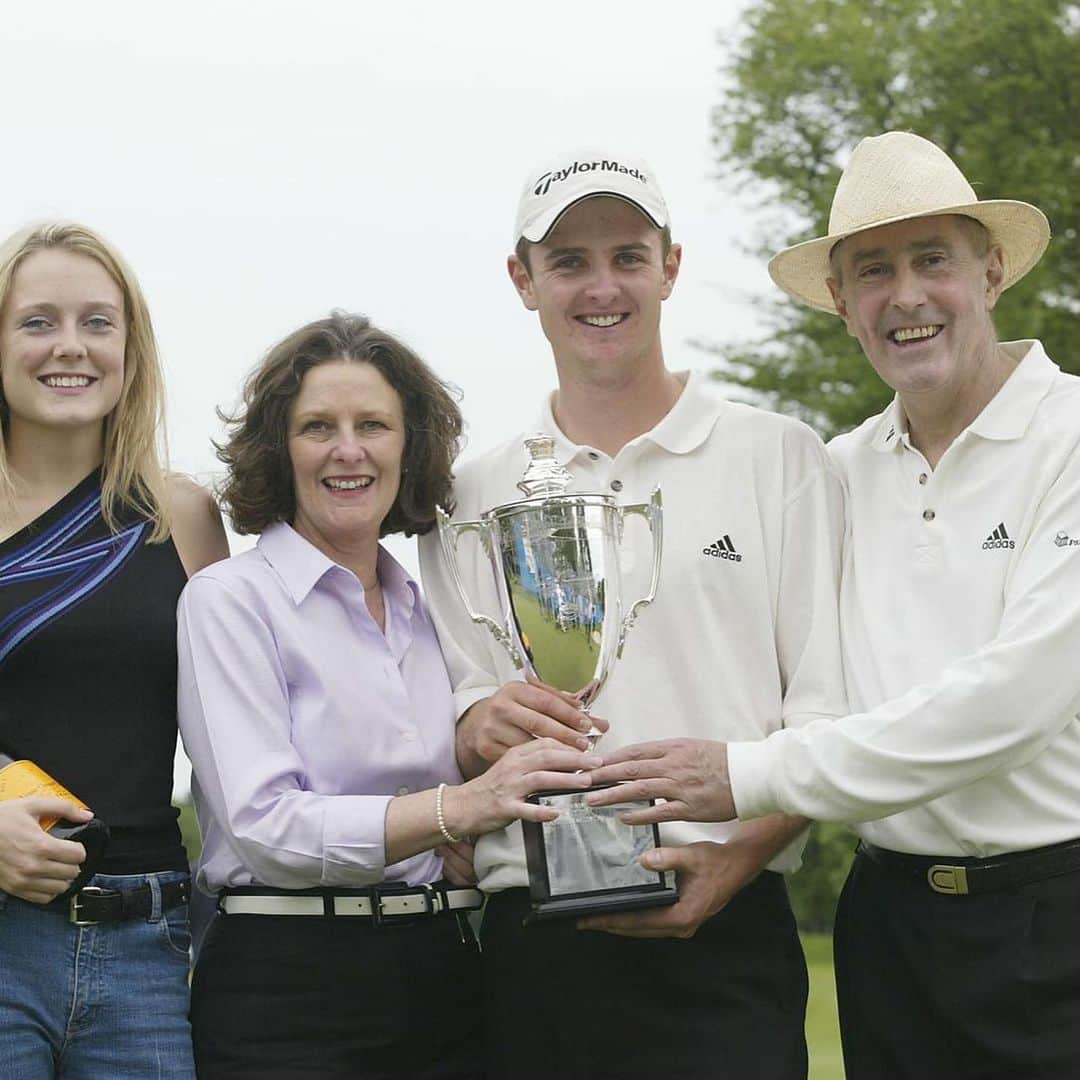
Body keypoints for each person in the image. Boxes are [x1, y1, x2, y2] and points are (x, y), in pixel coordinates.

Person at [587, 131, 1080, 1078]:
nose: (905, 297)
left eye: (932, 259)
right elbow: (779, 665)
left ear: (993, 270)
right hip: (889, 927)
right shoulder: (837, 471)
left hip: (1056, 912)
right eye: (871, 272)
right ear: (845, 306)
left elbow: (1015, 701)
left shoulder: (1070, 438)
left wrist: (747, 775)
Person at [418, 150, 846, 1078]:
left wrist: (737, 861)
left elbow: (826, 714)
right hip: (532, 939)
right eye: (568, 260)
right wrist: (474, 723)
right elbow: (444, 719)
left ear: (672, 267)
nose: (601, 286)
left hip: (728, 933)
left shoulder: (779, 457)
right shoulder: (469, 496)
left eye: (627, 255)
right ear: (522, 280)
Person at [177, 311, 597, 1079]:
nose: (348, 450)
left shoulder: (435, 609)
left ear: (410, 446)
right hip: (287, 992)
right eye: (317, 427)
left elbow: (446, 799)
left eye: (374, 424)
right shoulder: (228, 601)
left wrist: (472, 839)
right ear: (279, 448)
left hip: (444, 969)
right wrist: (461, 810)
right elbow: (266, 826)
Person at [0, 222, 227, 1078]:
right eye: (37, 322)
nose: (71, 347)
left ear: (131, 348)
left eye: (98, 322)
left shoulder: (183, 517)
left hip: (150, 943)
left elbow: (238, 734)